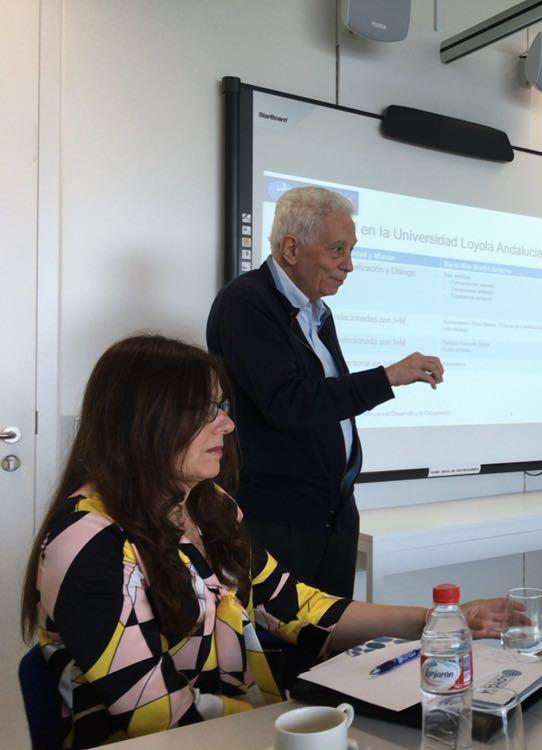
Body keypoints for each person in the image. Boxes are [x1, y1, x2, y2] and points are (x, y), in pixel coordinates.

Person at [20, 335, 504, 748]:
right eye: (207, 411)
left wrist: (436, 621)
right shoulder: (88, 543)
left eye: (223, 407)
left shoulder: (209, 508)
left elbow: (296, 606)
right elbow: (158, 719)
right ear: (145, 421)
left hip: (244, 729)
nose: (228, 425)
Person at [206, 186, 443, 599]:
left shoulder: (316, 311)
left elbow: (325, 404)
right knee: (284, 652)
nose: (348, 265)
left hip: (331, 515)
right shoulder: (246, 303)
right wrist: (387, 377)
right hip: (278, 519)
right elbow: (289, 403)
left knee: (332, 646)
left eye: (351, 250)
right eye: (337, 250)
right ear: (292, 248)